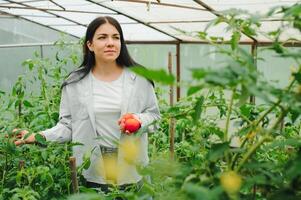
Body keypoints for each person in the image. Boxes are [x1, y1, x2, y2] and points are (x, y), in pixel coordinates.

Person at [14, 16, 160, 194]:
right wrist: (38, 136)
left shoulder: (139, 79)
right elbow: (68, 126)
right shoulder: (75, 83)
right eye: (102, 37)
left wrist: (138, 120)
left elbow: (154, 116)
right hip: (93, 165)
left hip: (132, 167)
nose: (110, 43)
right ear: (89, 45)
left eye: (116, 37)